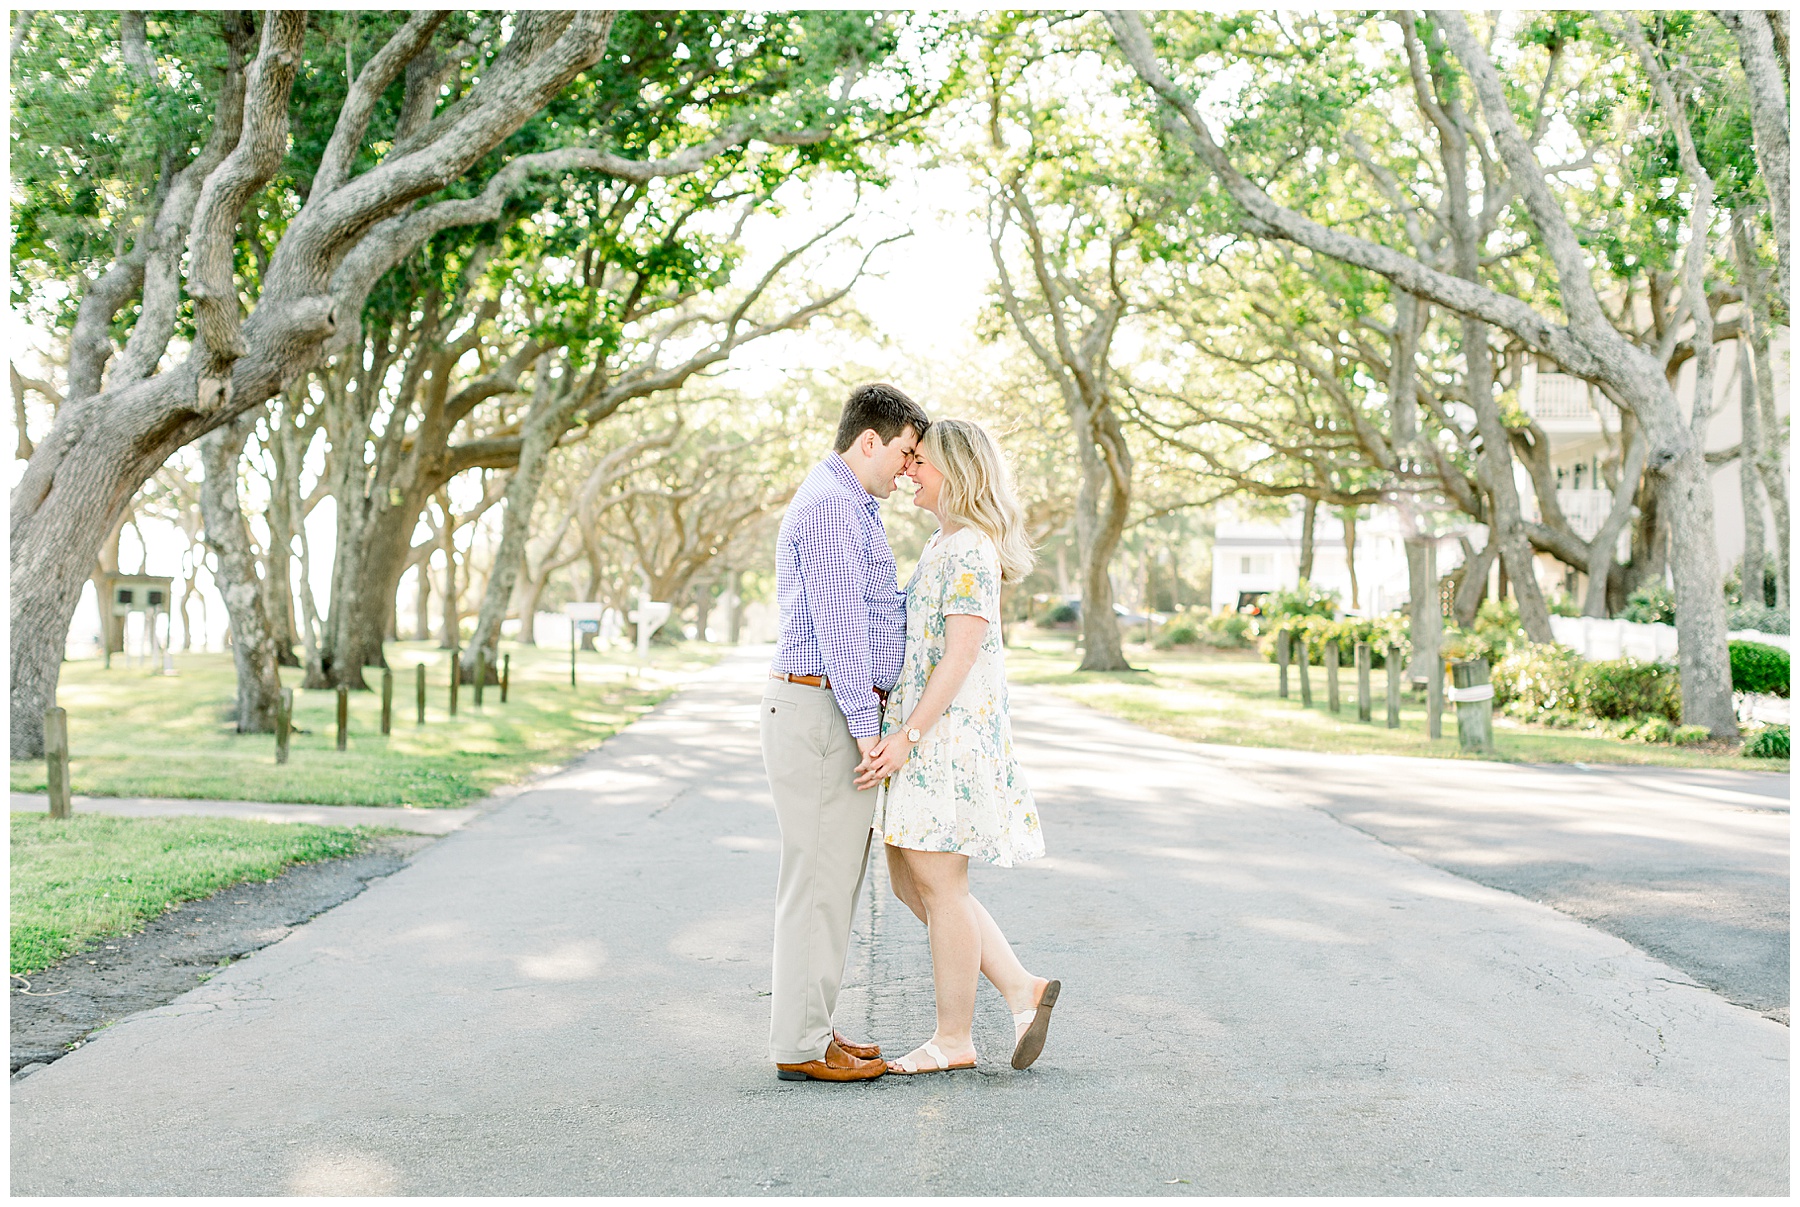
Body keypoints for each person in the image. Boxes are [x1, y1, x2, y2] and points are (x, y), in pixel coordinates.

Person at [856, 418, 1058, 1075]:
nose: (908, 470)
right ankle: (1021, 988)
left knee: (941, 886)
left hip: (944, 740)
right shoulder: (943, 543)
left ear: (957, 472)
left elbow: (961, 654)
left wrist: (908, 736)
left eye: (920, 461)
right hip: (924, 734)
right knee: (912, 882)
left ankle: (954, 1037)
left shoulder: (969, 546)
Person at [762, 383, 931, 1083]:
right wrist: (867, 729)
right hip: (823, 711)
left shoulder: (848, 503)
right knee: (819, 887)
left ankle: (812, 1027)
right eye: (905, 451)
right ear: (869, 440)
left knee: (831, 883)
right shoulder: (833, 507)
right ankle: (801, 1045)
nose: (909, 467)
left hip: (828, 709)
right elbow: (840, 631)